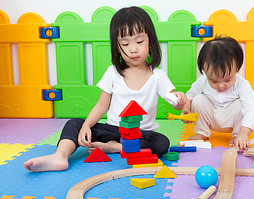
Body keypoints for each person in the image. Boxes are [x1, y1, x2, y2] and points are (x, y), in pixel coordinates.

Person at [24, 6, 187, 172]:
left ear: (150, 41)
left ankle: (113, 148)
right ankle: (60, 156)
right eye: (125, 43)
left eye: (139, 42)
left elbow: (173, 98)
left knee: (162, 143)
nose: (133, 49)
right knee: (74, 124)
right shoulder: (113, 73)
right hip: (113, 129)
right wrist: (87, 125)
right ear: (117, 47)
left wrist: (179, 101)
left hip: (141, 133)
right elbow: (102, 105)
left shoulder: (157, 76)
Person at [182, 36, 254, 151]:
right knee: (198, 99)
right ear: (204, 71)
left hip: (232, 120)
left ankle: (237, 135)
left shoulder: (242, 84)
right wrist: (186, 109)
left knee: (242, 104)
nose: (221, 86)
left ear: (237, 68)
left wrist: (244, 133)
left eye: (227, 80)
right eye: (214, 81)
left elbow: (252, 108)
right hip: (211, 117)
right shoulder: (203, 81)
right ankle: (202, 132)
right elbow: (190, 95)